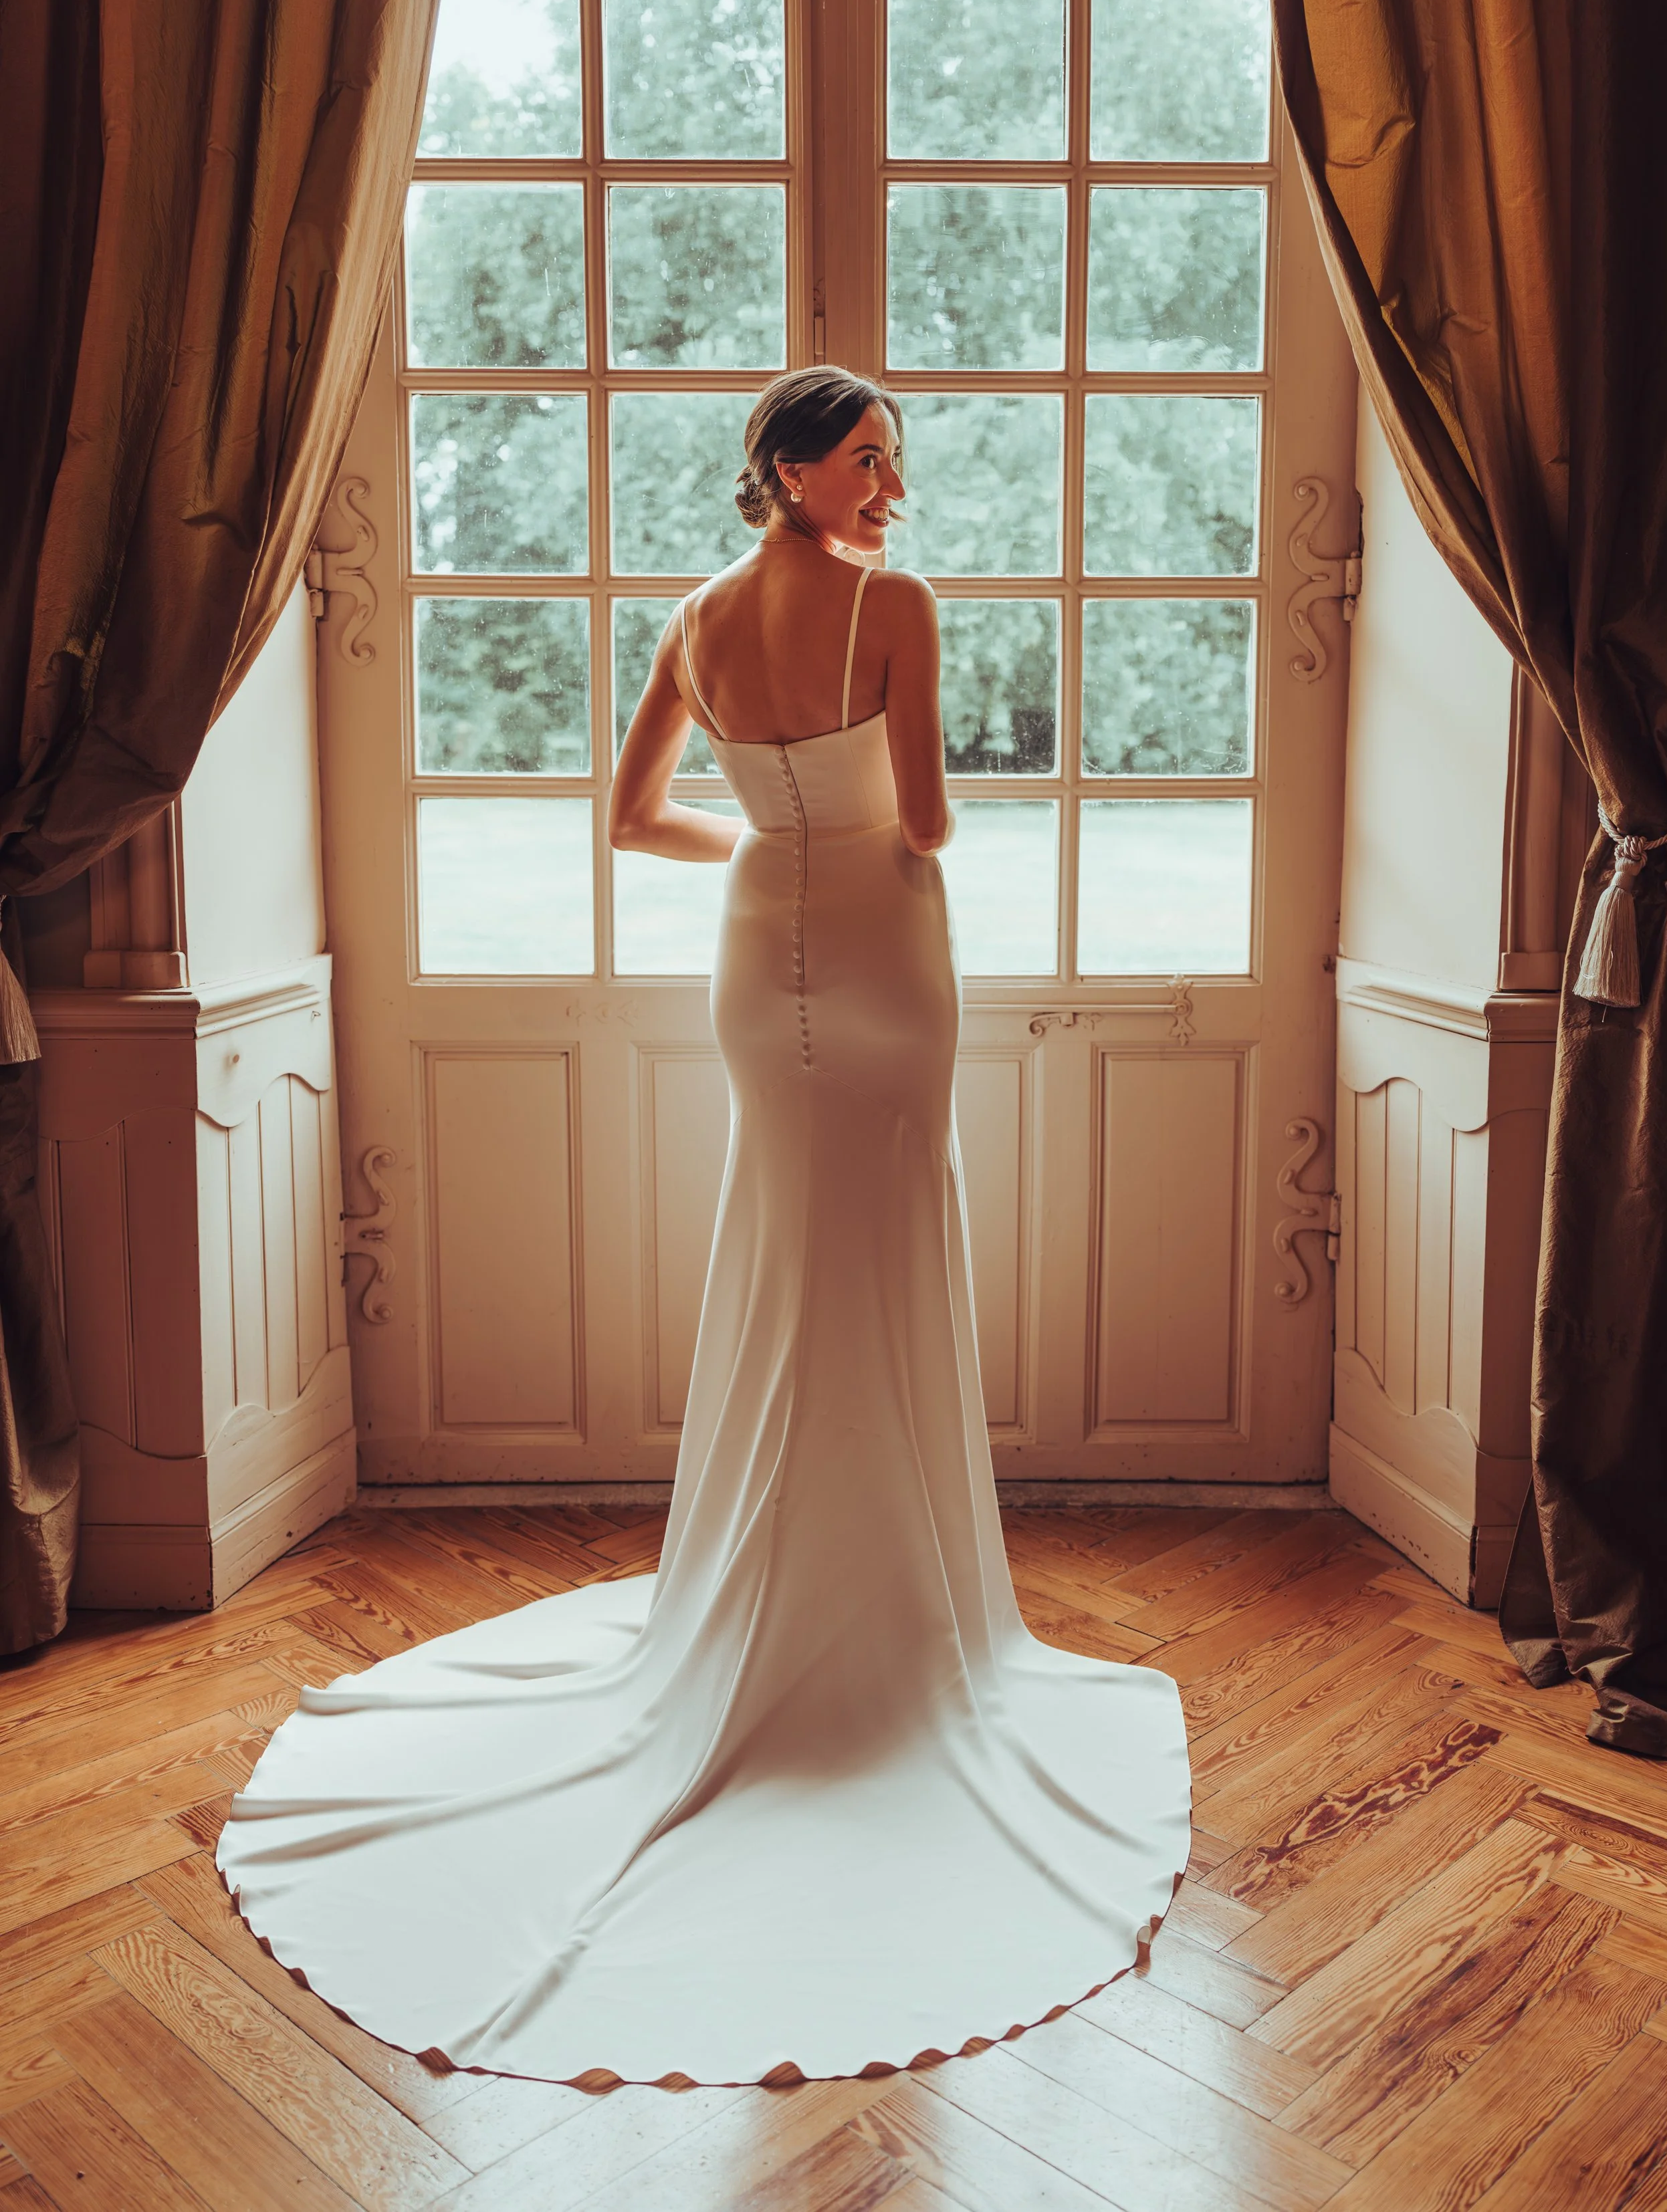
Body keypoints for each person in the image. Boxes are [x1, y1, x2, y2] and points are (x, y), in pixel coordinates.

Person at [216, 366, 1190, 2086]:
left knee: (787, 1246)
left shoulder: (693, 615)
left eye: (894, 460)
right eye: (864, 458)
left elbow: (630, 818)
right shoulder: (894, 607)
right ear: (792, 469)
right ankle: (887, 1616)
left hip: (760, 947)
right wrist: (844, 832)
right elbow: (936, 818)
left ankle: (770, 1591)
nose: (890, 483)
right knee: (883, 1246)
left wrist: (762, 841)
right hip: (887, 949)